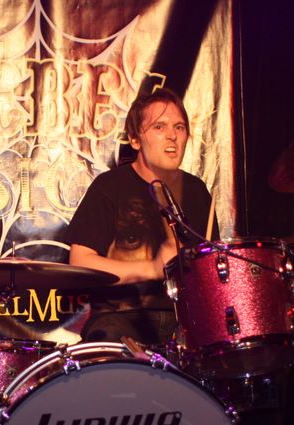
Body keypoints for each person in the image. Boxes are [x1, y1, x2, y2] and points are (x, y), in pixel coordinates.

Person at [64, 88, 216, 345]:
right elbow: (80, 262)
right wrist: (151, 268)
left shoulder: (197, 191)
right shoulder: (109, 187)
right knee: (110, 335)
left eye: (179, 127)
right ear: (135, 140)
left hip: (184, 318)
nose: (172, 135)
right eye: (159, 127)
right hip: (120, 316)